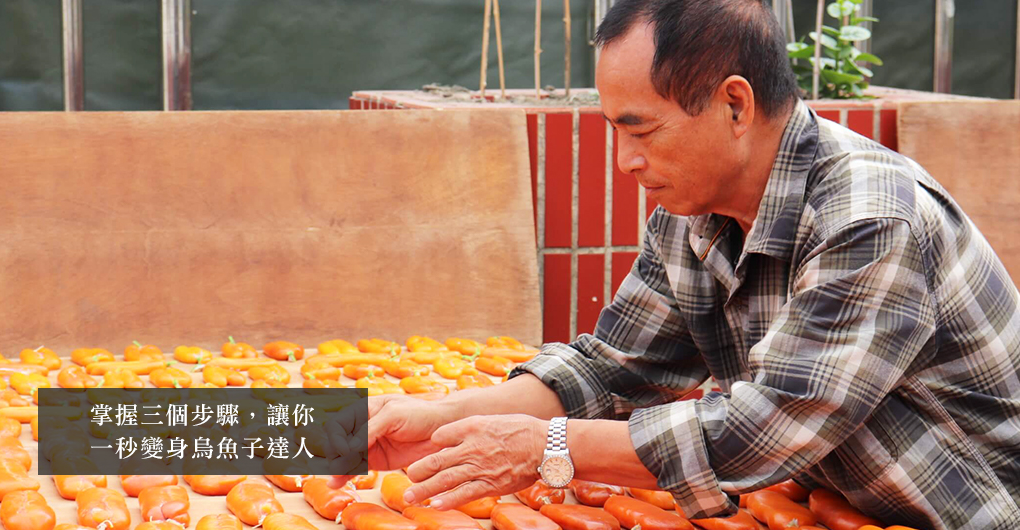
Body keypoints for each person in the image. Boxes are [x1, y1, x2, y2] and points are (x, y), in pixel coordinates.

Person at [329, 1, 1020, 528]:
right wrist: (446, 416)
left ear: (734, 104)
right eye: (615, 132)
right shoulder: (693, 210)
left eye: (642, 130)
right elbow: (615, 366)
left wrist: (546, 448)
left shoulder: (867, 217)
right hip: (847, 498)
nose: (627, 161)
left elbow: (764, 430)